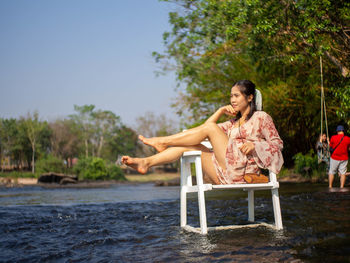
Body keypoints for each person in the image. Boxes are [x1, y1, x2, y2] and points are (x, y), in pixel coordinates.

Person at [122, 80, 284, 185]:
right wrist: (220, 111)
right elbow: (204, 129)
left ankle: (162, 142)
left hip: (245, 174)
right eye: (230, 96)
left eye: (236, 96)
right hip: (224, 173)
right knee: (190, 146)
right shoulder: (232, 123)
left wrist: (255, 145)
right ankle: (146, 163)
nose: (232, 100)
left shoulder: (261, 117)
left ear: (249, 98)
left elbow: (277, 144)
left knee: (210, 130)